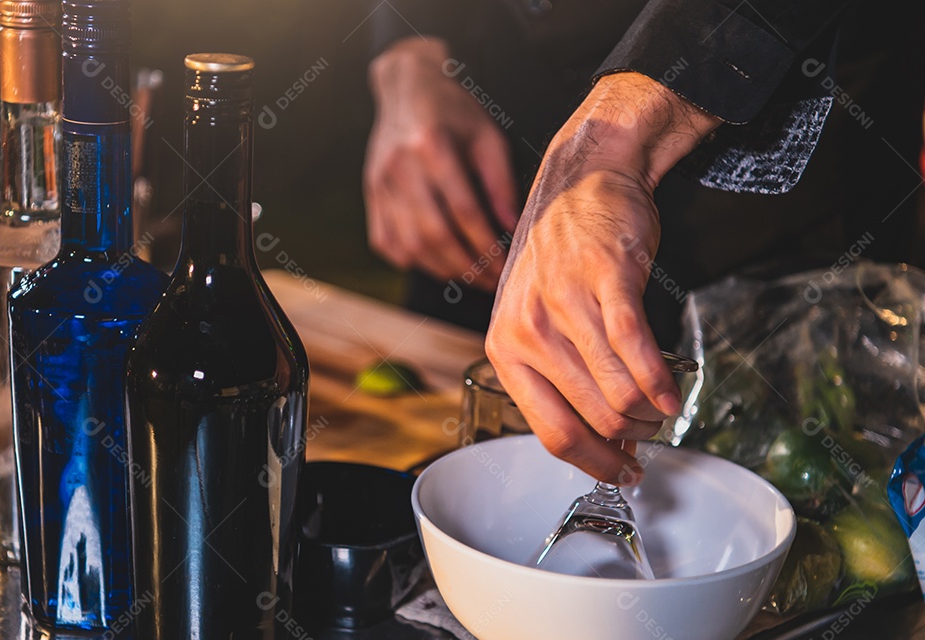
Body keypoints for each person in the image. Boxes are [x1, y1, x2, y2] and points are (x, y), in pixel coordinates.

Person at [363, 0, 924, 482]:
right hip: (490, 128)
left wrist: (616, 137)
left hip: (762, 118)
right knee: (477, 461)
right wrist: (408, 52)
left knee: (769, 481)